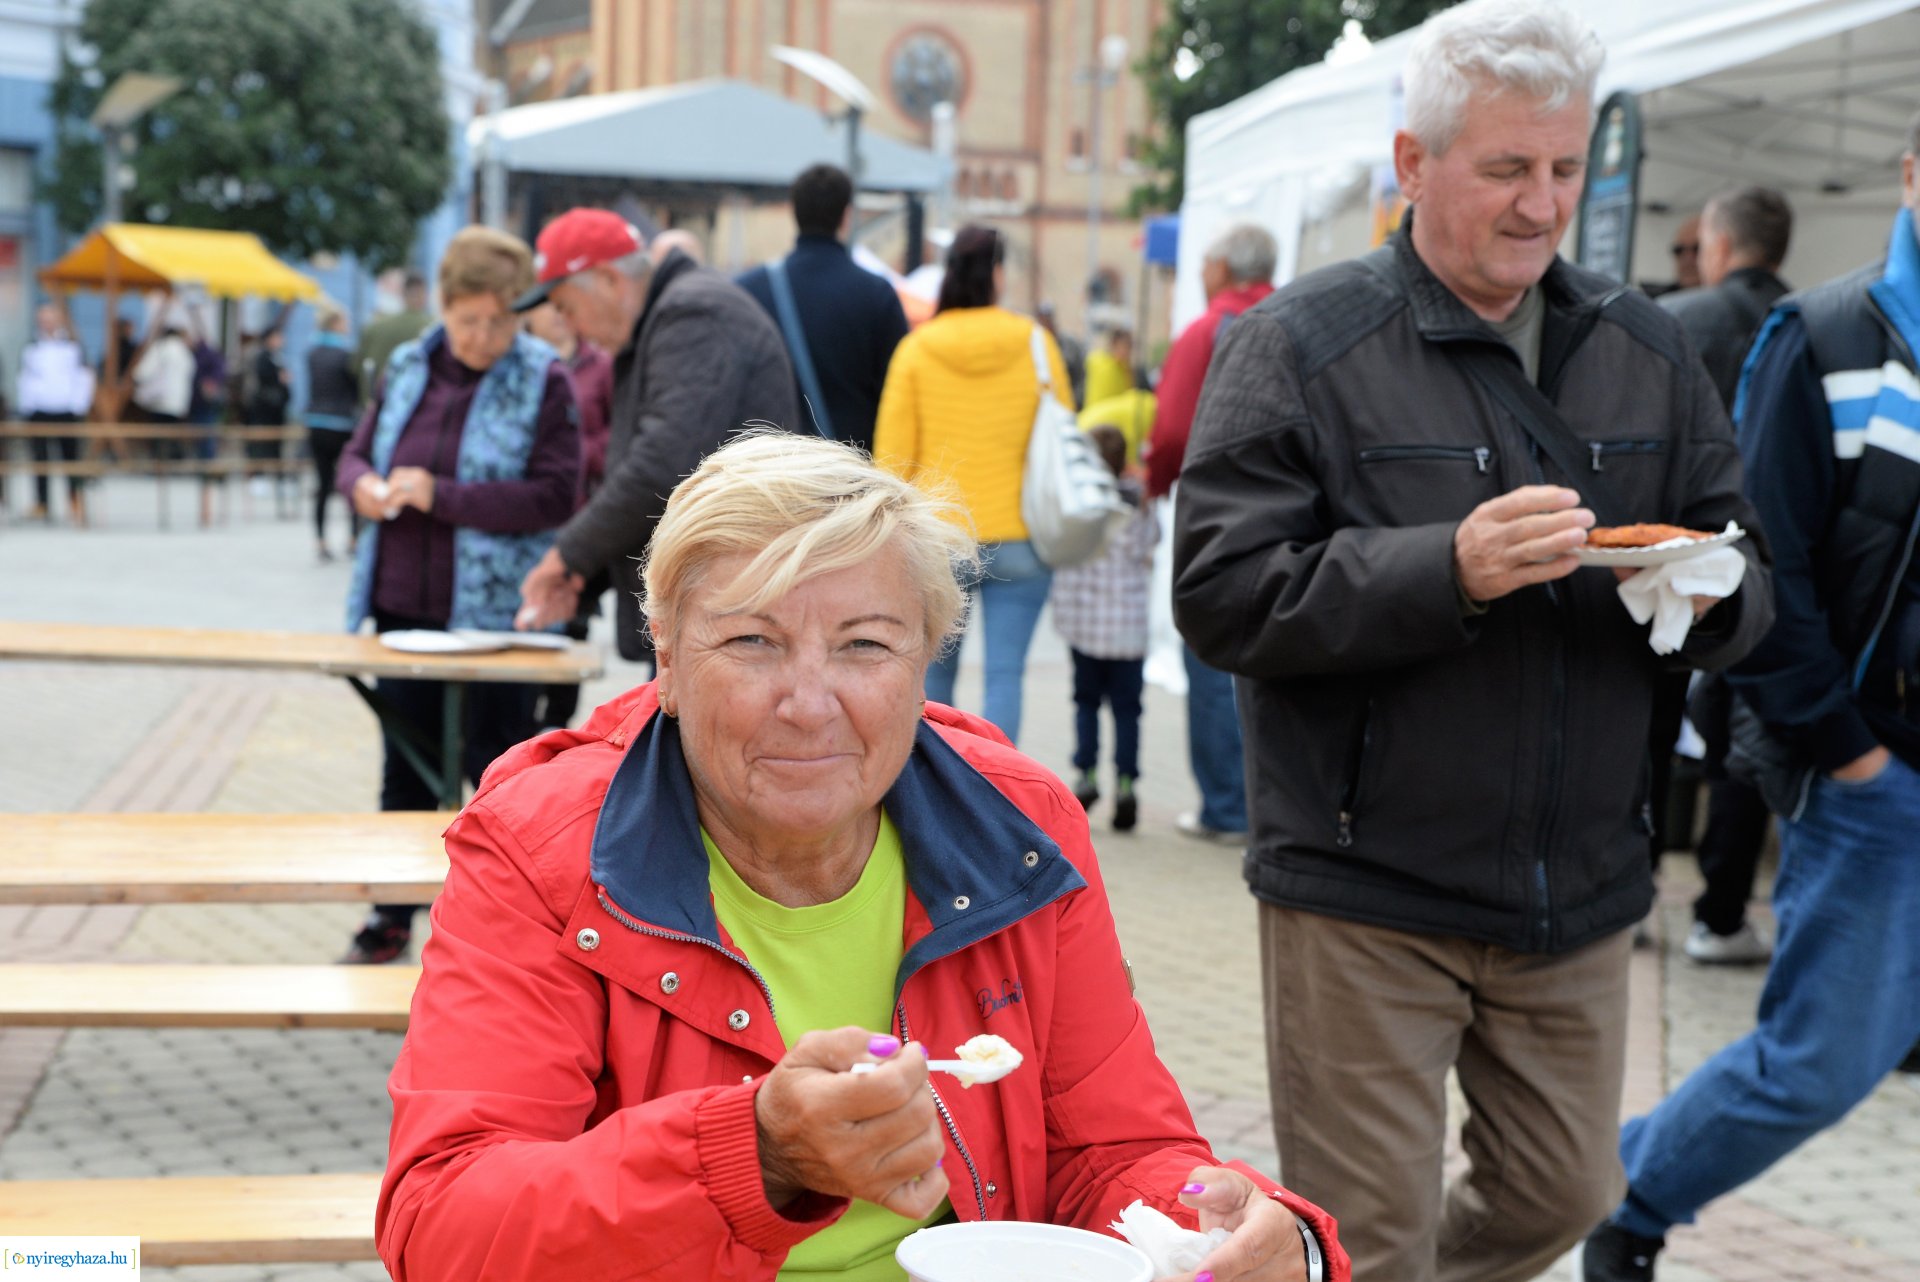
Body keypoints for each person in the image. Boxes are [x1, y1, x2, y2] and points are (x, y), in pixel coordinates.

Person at [375, 432, 1348, 1282]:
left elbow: (1115, 1150)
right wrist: (752, 1155)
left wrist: (1243, 1237)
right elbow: (444, 1228)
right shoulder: (541, 846)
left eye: (864, 645)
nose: (809, 701)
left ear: (928, 660)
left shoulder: (1021, 823)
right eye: (753, 641)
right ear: (666, 657)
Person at [1170, 4, 1774, 1279]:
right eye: (1506, 169)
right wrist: (1443, 567)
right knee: (1368, 1239)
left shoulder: (1647, 347)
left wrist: (1708, 594)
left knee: (1566, 1192)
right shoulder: (1297, 344)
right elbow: (1223, 593)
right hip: (1366, 887)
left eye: (1564, 168)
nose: (1540, 205)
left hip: (1580, 886)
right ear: (1412, 164)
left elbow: (1748, 569)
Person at [1580, 113, 1920, 1282]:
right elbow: (1761, 565)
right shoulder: (1824, 335)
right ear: (1912, 172)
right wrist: (1852, 756)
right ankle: (1627, 1196)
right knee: (1822, 1060)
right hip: (1882, 775)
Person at [335, 226, 581, 966]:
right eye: (470, 319)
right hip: (403, 606)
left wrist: (442, 495)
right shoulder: (409, 365)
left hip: (494, 617)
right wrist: (365, 488)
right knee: (403, 769)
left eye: (502, 321)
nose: (485, 336)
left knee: (500, 771)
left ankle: (526, 940)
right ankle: (389, 921)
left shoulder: (544, 377)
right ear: (442, 308)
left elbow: (554, 495)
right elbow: (354, 453)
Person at [514, 209, 798, 665]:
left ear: (608, 280)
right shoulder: (669, 316)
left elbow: (664, 462)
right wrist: (581, 576)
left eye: (566, 308)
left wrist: (568, 556)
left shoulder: (692, 314)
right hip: (717, 599)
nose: (571, 328)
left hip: (732, 605)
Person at [1657, 184, 1795, 965]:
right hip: (1772, 572)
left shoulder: (1675, 322)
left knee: (1655, 723)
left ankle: (1635, 903)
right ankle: (1720, 914)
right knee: (1750, 748)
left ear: (1718, 243)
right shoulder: (1811, 325)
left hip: (1669, 562)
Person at [872, 225, 1076, 746]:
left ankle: (943, 792)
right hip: (1022, 534)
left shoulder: (917, 350)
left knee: (935, 679)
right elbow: (1063, 428)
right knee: (1006, 674)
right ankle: (1001, 792)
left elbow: (892, 458)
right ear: (999, 274)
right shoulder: (1035, 343)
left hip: (940, 538)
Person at [1147, 223, 1279, 845]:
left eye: (1204, 262)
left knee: (1209, 652)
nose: (1200, 273)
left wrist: (1156, 484)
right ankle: (1273, 806)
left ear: (1224, 268)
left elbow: (1171, 431)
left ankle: (1226, 808)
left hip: (1216, 517)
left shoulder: (1206, 333)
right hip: (1293, 516)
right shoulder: (1295, 320)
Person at [737, 164, 911, 454]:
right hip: (850, 475)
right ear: (847, 215)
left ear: (794, 211)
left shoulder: (749, 291)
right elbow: (897, 396)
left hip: (769, 471)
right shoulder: (877, 295)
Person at [1052, 424, 1157, 833]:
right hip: (1127, 631)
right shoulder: (1138, 506)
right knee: (1129, 710)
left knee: (1086, 702)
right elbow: (1152, 545)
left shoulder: (1080, 509)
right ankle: (1128, 782)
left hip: (1084, 627)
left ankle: (1087, 774)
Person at [522, 299, 615, 730]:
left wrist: (574, 450)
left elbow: (619, 435)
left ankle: (558, 720)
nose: (558, 314)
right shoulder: (518, 369)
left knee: (571, 619)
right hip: (527, 518)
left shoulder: (600, 364)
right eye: (548, 306)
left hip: (581, 517)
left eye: (564, 305)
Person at [17, 303, 95, 525]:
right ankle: (42, 503)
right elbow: (25, 378)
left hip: (66, 410)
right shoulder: (32, 346)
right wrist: (27, 405)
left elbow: (83, 377)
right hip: (39, 410)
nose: (46, 323)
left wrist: (78, 405)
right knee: (40, 460)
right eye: (43, 319)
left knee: (71, 459)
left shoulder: (72, 345)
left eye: (50, 318)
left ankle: (75, 501)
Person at [306, 306, 361, 561]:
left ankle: (320, 541)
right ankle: (352, 538)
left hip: (316, 423)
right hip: (342, 424)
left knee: (322, 484)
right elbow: (355, 390)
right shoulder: (346, 355)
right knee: (350, 481)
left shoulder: (312, 353)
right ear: (336, 324)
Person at [356, 271, 434, 404]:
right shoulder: (434, 329)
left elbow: (356, 367)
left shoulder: (374, 328)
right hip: (419, 411)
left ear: (402, 295)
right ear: (424, 295)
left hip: (374, 409)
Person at [1083, 326, 1135, 407]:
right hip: (1095, 414)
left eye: (1129, 347)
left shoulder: (1126, 371)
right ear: (1113, 345)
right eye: (1124, 346)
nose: (1127, 352)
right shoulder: (1100, 364)